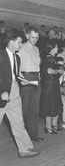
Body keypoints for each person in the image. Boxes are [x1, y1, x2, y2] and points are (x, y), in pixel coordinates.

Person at [0, 28, 39, 158]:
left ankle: (25, 149)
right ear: (11, 41)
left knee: (18, 122)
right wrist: (1, 92)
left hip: (14, 92)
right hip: (2, 93)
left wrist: (29, 82)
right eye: (19, 42)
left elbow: (17, 75)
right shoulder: (0, 55)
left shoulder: (17, 57)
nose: (21, 45)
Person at [18, 27, 43, 142]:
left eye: (37, 37)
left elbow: (37, 65)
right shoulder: (20, 47)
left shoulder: (37, 49)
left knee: (35, 109)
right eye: (33, 37)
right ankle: (23, 137)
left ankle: (33, 135)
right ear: (27, 36)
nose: (35, 39)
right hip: (26, 78)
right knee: (24, 110)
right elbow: (15, 65)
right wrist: (20, 79)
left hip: (36, 79)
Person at [40, 42, 64, 134]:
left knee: (54, 105)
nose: (57, 48)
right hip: (50, 85)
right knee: (50, 105)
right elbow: (49, 71)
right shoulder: (48, 58)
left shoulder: (51, 58)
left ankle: (53, 126)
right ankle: (49, 127)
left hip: (53, 84)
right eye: (57, 47)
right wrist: (58, 71)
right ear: (53, 48)